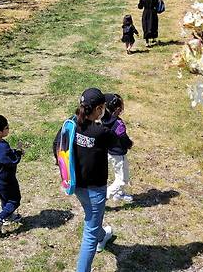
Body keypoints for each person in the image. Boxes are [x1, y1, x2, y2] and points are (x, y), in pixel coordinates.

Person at [53, 87, 115, 272]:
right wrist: (111, 121)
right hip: (95, 189)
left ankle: (102, 235)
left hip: (75, 185)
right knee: (89, 232)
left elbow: (57, 145)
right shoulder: (101, 132)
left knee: (93, 216)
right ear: (98, 109)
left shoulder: (70, 124)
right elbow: (122, 145)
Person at [0, 114, 24, 237]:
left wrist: (12, 152)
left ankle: (8, 215)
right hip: (8, 180)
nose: (9, 128)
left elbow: (5, 156)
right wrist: (18, 152)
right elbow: (10, 161)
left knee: (5, 199)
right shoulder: (2, 147)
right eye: (7, 127)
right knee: (14, 200)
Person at [101, 93, 134, 203]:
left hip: (110, 152)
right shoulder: (118, 124)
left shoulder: (103, 120)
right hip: (119, 155)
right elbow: (123, 138)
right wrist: (129, 144)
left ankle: (119, 194)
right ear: (117, 109)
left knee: (118, 173)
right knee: (122, 180)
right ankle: (103, 197)